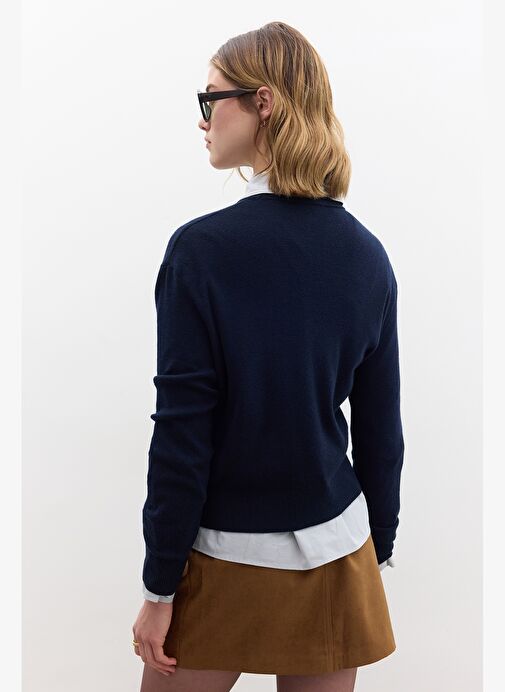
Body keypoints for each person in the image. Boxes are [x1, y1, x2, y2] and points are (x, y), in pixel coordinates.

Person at [132, 21, 404, 692]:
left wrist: (159, 586)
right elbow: (381, 429)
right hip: (338, 551)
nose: (202, 119)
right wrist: (379, 544)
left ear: (263, 102)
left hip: (222, 554)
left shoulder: (202, 251)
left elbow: (183, 431)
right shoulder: (366, 257)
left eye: (211, 98)